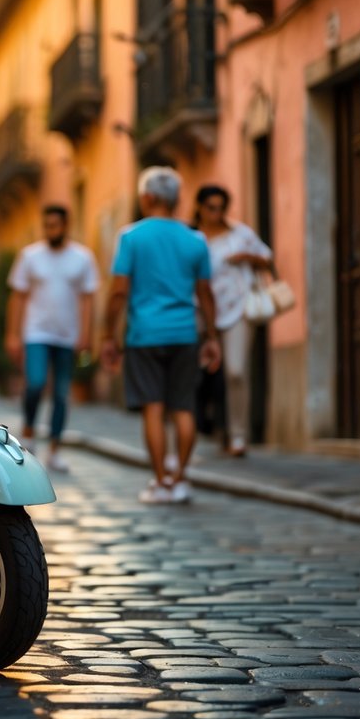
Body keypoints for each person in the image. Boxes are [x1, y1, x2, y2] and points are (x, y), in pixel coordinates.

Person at [101, 167, 221, 504]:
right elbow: (206, 294)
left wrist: (108, 336)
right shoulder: (196, 240)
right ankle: (181, 478)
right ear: (176, 200)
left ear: (148, 198)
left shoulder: (131, 237)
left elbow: (119, 292)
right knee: (184, 408)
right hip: (185, 334)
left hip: (144, 336)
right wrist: (212, 337)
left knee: (153, 409)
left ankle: (161, 482)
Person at [5, 205, 99, 473]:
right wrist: (12, 334)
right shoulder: (30, 256)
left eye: (56, 226)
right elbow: (18, 296)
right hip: (36, 332)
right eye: (47, 226)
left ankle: (55, 450)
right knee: (35, 383)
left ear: (66, 226)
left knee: (61, 393)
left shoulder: (82, 258)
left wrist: (86, 334)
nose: (51, 231)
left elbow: (88, 299)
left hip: (67, 336)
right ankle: (29, 433)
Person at [191, 185, 273, 457]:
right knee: (199, 373)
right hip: (199, 312)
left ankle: (238, 435)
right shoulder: (191, 238)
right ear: (200, 208)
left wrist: (247, 257)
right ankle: (200, 429)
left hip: (238, 309)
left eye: (221, 207)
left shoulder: (241, 233)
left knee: (236, 371)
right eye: (211, 207)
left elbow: (268, 258)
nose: (216, 213)